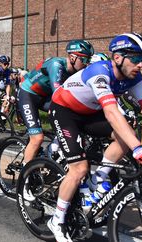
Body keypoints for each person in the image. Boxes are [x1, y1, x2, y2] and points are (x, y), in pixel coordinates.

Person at [46, 33, 142, 242]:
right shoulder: (99, 73)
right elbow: (111, 112)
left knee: (125, 136)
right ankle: (57, 220)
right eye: (135, 59)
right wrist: (138, 148)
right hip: (64, 110)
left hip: (89, 112)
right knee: (79, 168)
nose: (140, 65)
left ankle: (97, 180)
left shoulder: (133, 78)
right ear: (118, 57)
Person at [18, 39, 94, 167]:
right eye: (84, 60)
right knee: (37, 139)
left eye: (89, 61)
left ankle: (51, 151)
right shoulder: (56, 65)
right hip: (29, 95)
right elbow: (57, 95)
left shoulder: (76, 71)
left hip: (44, 97)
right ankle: (24, 176)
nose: (87, 64)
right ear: (72, 57)